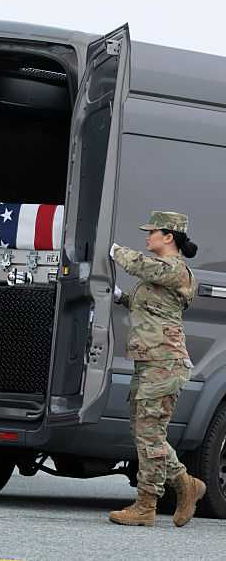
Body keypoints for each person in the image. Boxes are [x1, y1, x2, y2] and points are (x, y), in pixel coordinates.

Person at [108, 211, 205, 527]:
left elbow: (141, 266)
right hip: (149, 361)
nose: (147, 236)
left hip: (164, 364)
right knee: (146, 434)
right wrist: (122, 298)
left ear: (168, 236)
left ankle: (146, 506)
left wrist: (113, 251)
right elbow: (153, 307)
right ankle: (185, 484)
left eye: (152, 232)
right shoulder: (162, 273)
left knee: (150, 435)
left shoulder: (176, 269)